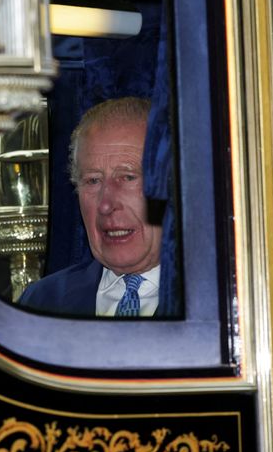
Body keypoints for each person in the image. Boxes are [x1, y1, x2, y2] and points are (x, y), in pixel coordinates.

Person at [20, 97, 177, 317]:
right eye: (93, 181)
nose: (106, 205)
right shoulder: (42, 303)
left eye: (128, 177)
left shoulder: (217, 298)